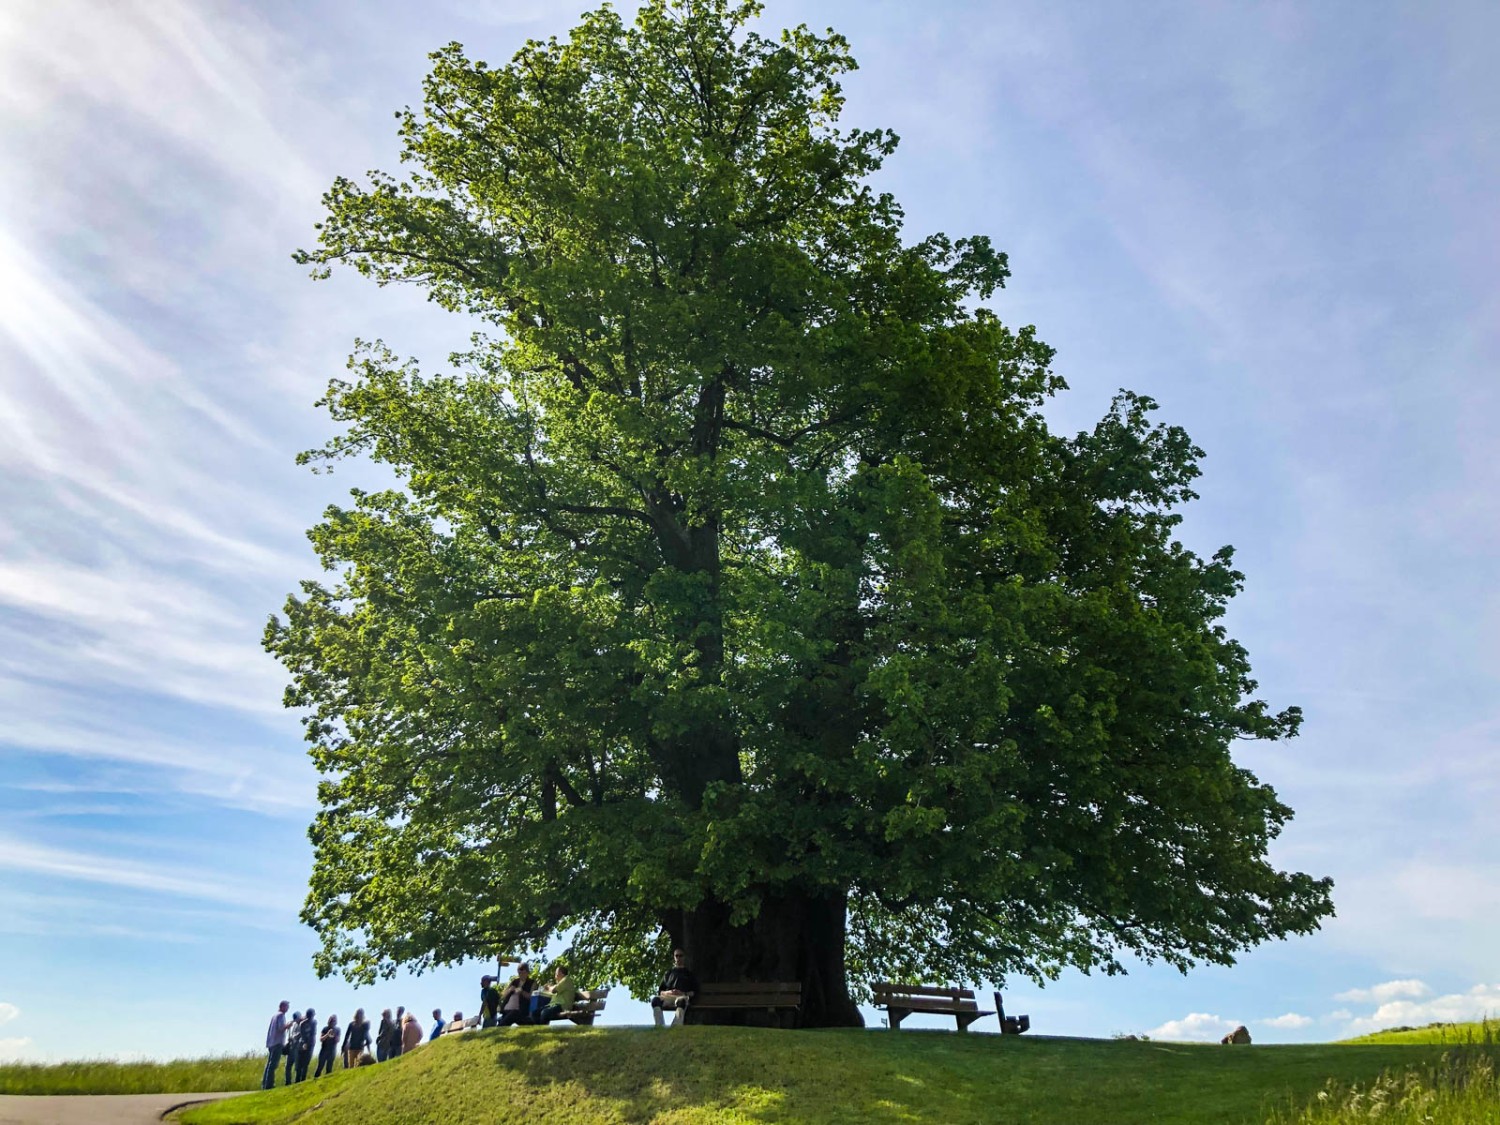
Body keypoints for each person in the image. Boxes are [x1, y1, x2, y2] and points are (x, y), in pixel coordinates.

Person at [652, 949, 697, 1027]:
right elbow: (660, 991)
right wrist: (669, 992)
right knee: (655, 1000)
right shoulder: (668, 973)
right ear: (674, 957)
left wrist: (683, 993)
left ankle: (676, 1026)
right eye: (677, 956)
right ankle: (659, 1025)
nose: (678, 958)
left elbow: (694, 991)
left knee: (681, 1001)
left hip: (682, 997)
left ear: (684, 957)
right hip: (668, 997)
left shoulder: (689, 974)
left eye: (681, 956)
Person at [262, 1000, 290, 1089]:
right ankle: (269, 1085)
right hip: (277, 1042)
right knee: (273, 1065)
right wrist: (288, 1025)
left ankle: (265, 1083)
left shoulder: (274, 1016)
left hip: (271, 1043)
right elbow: (281, 1028)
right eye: (286, 1006)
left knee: (269, 1064)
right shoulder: (281, 1015)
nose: (288, 1008)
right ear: (282, 1006)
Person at [294, 1007, 318, 1082]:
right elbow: (303, 1034)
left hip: (310, 1044)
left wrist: (308, 1043)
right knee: (300, 1062)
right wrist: (305, 1043)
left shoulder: (314, 1022)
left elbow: (313, 1033)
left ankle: (302, 1079)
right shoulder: (302, 1023)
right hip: (303, 1043)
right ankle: (297, 1079)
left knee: (306, 1062)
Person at [283, 1012, 303, 1086]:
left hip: (297, 1048)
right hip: (291, 1047)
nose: (295, 1020)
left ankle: (297, 1081)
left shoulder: (302, 1024)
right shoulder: (294, 1024)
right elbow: (292, 1033)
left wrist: (293, 1038)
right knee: (287, 1066)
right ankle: (287, 1082)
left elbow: (300, 1034)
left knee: (297, 1066)